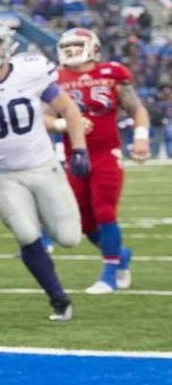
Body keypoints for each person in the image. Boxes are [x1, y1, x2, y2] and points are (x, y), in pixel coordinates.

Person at [0, 17, 87, 321]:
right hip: (3, 174)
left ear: (6, 44)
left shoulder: (32, 70)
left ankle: (48, 217)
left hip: (43, 165)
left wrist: (79, 149)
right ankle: (58, 298)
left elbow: (69, 109)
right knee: (25, 233)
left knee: (69, 238)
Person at [52, 28, 151, 294]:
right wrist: (64, 122)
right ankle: (121, 255)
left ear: (93, 47)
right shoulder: (55, 78)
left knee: (104, 210)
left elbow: (137, 108)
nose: (71, 51)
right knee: (83, 222)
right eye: (67, 46)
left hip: (106, 151)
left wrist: (141, 137)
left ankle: (110, 273)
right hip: (76, 155)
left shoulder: (111, 73)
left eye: (77, 45)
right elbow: (44, 118)